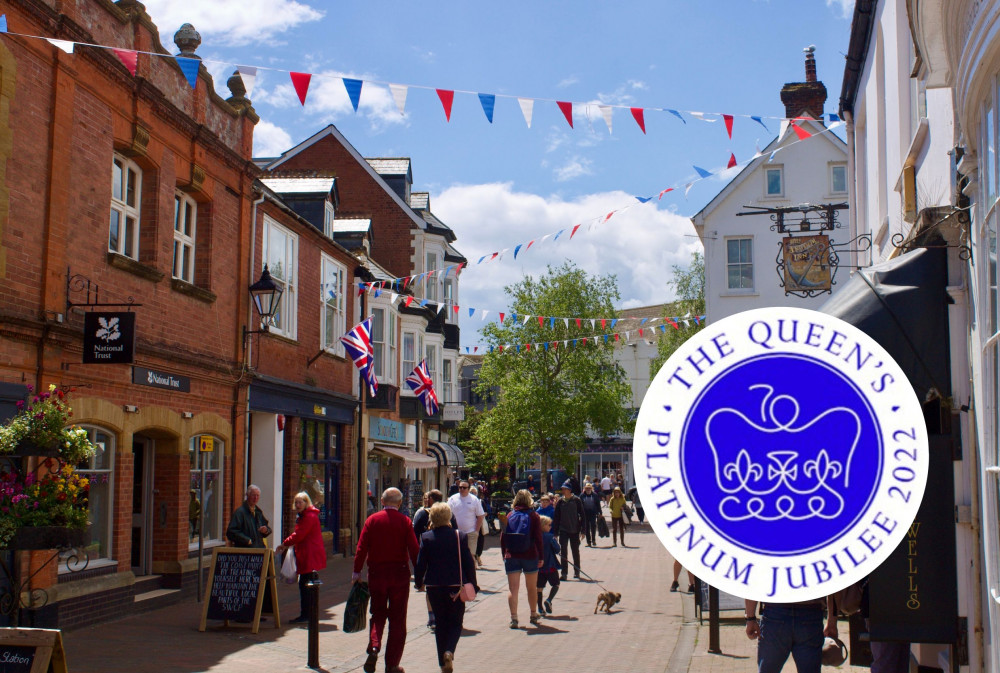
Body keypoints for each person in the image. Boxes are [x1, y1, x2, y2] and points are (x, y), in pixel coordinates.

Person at [354, 488, 420, 673]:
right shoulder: (405, 522)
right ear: (399, 503)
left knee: (378, 614)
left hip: (377, 574)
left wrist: (356, 571)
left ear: (382, 502)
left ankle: (374, 647)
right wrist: (420, 575)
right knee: (398, 620)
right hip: (399, 574)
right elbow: (414, 550)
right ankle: (392, 664)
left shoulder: (372, 520)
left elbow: (361, 548)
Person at [414, 502, 478, 673]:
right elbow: (468, 563)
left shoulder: (426, 537)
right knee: (456, 623)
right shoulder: (460, 536)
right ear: (449, 517)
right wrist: (473, 583)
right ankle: (449, 651)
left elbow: (421, 564)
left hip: (434, 587)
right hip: (455, 586)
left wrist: (418, 582)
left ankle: (442, 663)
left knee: (440, 624)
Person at [745, 596, 839, 673]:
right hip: (810, 613)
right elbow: (833, 581)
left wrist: (750, 618)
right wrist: (832, 621)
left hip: (775, 612)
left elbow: (753, 578)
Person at [276, 492, 327, 624]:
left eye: (300, 502)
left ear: (306, 503)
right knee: (306, 585)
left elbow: (299, 535)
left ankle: (306, 614)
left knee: (305, 586)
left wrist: (284, 544)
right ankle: (308, 613)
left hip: (309, 555)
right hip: (307, 554)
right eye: (296, 502)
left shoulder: (309, 516)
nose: (298, 505)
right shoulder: (305, 515)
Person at [413, 490, 455, 632]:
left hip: (431, 560)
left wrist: (418, 581)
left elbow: (415, 532)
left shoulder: (421, 515)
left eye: (427, 497)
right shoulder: (449, 514)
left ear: (431, 499)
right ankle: (444, 617)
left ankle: (432, 617)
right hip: (449, 563)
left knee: (431, 590)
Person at [501, 489, 543, 628]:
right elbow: (538, 538)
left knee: (513, 589)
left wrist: (504, 553)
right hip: (530, 554)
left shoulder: (510, 515)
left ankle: (514, 618)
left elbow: (503, 537)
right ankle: (533, 614)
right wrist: (541, 556)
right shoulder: (534, 516)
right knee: (531, 587)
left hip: (512, 555)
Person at [552, 480, 585, 580]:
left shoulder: (576, 500)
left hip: (574, 529)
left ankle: (577, 571)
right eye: (562, 489)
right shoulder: (560, 502)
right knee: (564, 551)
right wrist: (555, 533)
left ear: (569, 490)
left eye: (565, 489)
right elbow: (556, 518)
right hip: (563, 530)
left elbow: (583, 516)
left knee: (575, 551)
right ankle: (564, 573)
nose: (563, 491)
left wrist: (583, 531)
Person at [447, 481, 485, 567]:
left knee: (470, 555)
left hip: (471, 532)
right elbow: (447, 514)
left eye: (464, 488)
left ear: (468, 489)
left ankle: (471, 575)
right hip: (456, 533)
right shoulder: (453, 499)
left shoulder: (474, 499)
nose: (462, 489)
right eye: (460, 487)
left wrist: (476, 531)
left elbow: (480, 516)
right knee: (457, 555)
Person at [535, 515, 561, 616]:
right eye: (549, 525)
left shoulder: (534, 537)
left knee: (539, 587)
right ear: (544, 525)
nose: (551, 527)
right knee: (556, 584)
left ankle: (540, 608)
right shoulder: (549, 537)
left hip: (538, 567)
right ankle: (549, 600)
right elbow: (557, 549)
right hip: (550, 565)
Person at [580, 482, 602, 547]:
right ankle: (588, 542)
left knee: (593, 526)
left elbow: (598, 504)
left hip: (593, 513)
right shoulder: (582, 495)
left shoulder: (595, 495)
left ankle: (594, 540)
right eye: (587, 488)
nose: (588, 489)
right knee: (586, 528)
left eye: (589, 488)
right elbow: (579, 505)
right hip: (585, 514)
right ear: (585, 489)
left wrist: (600, 512)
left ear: (591, 489)